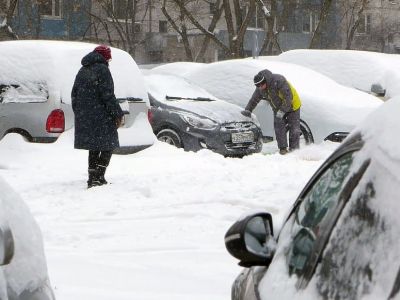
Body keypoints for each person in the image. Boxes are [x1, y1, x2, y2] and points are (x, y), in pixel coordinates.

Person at [71, 45, 124, 188]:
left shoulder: (83, 69)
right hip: (102, 115)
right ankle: (99, 176)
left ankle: (92, 178)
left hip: (86, 116)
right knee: (109, 144)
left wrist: (80, 112)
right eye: (109, 57)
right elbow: (108, 95)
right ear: (104, 57)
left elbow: (74, 94)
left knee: (94, 147)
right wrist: (118, 114)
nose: (109, 60)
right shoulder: (102, 69)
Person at [242, 69, 301, 155]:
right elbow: (254, 100)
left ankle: (294, 150)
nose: (260, 88)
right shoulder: (260, 88)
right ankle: (283, 149)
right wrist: (248, 110)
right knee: (278, 127)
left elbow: (288, 97)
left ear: (264, 81)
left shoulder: (279, 80)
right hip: (277, 108)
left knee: (294, 129)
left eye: (261, 86)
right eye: (258, 86)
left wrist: (282, 111)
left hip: (293, 105)